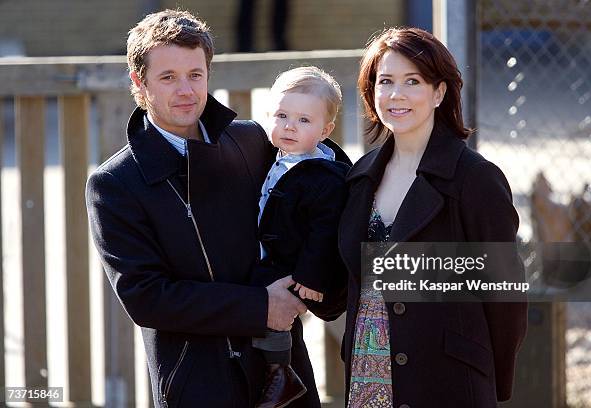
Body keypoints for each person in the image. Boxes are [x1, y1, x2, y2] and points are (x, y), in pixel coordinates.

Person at [85, 10, 332, 408]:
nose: (186, 90)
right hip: (196, 377)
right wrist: (262, 307)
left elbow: (320, 184)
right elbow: (146, 297)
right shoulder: (114, 183)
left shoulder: (253, 140)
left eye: (195, 74)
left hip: (282, 369)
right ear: (139, 82)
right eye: (168, 77)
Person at [338, 27, 528, 407]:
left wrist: (489, 377)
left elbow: (505, 296)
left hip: (447, 379)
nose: (396, 95)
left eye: (413, 81)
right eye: (386, 81)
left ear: (439, 92)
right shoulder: (359, 176)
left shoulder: (475, 177)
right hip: (367, 371)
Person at [250, 67, 351, 407]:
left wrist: (310, 276)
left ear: (326, 131)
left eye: (304, 120)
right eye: (282, 115)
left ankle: (281, 374)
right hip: (272, 254)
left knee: (273, 312)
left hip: (296, 267)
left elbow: (326, 232)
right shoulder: (276, 158)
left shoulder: (323, 177)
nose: (290, 126)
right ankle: (273, 371)